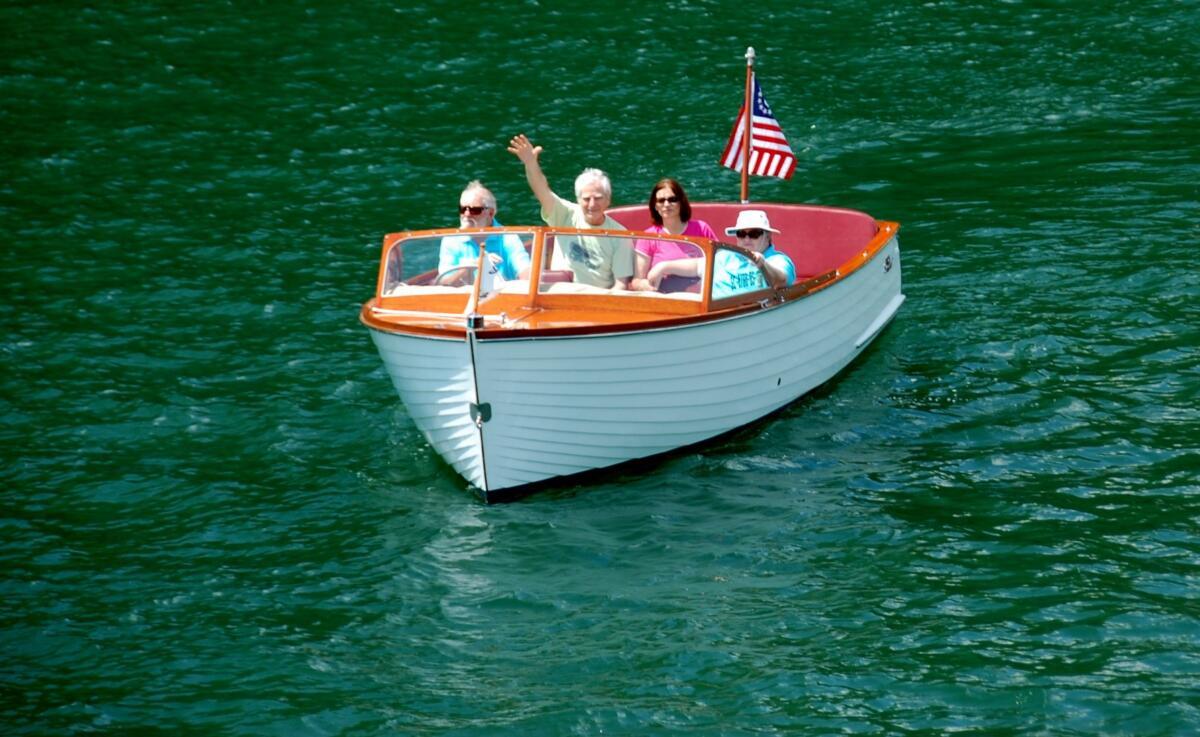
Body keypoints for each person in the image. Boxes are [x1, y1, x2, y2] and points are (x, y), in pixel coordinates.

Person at [507, 134, 634, 290]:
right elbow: (542, 190)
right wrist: (530, 163)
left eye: (598, 198)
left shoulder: (620, 235)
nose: (592, 204)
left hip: (596, 298)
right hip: (559, 293)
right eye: (586, 199)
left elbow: (621, 284)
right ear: (578, 199)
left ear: (608, 200)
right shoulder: (566, 214)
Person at [642, 209, 795, 298]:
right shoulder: (726, 256)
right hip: (710, 314)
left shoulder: (778, 260)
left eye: (754, 234)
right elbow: (697, 266)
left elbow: (780, 280)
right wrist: (663, 267)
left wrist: (763, 265)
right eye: (742, 234)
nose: (747, 239)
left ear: (767, 236)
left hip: (744, 316)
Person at [631, 178, 719, 293]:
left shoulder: (701, 229)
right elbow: (637, 280)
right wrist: (646, 286)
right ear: (655, 206)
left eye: (672, 199)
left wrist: (665, 267)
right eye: (661, 201)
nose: (666, 204)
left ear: (681, 202)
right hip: (664, 298)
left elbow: (720, 262)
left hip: (700, 296)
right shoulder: (647, 237)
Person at [436, 181, 530, 286]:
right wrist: (470, 266)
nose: (466, 214)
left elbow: (524, 270)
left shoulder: (508, 237)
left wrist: (527, 279)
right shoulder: (451, 240)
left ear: (491, 213)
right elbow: (444, 283)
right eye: (462, 209)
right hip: (464, 296)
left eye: (475, 210)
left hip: (501, 294)